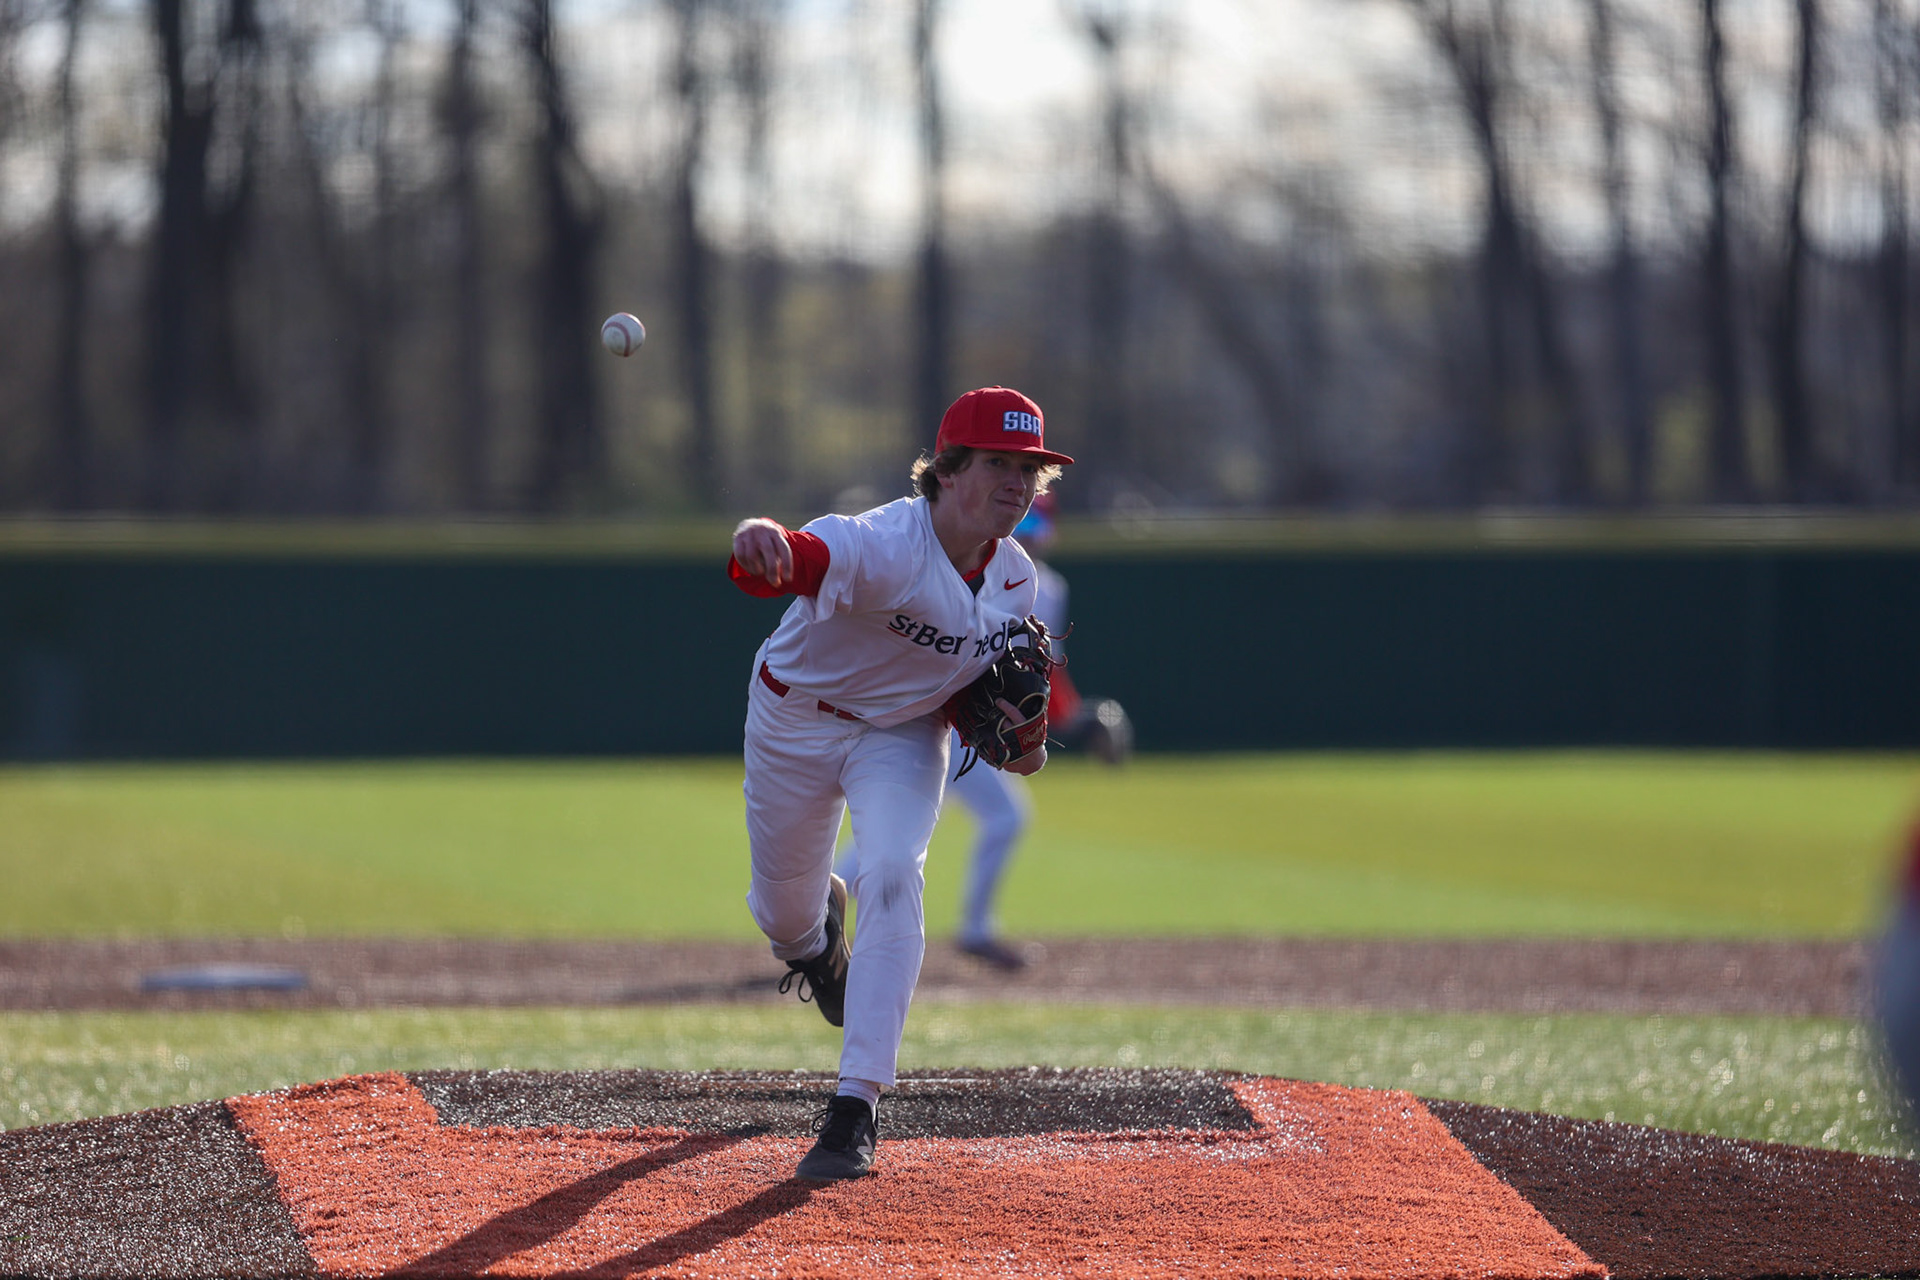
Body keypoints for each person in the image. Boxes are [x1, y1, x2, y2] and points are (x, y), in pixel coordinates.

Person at [726, 385, 1072, 1181]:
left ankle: (855, 1109)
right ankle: (816, 944)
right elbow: (797, 559)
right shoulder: (886, 541)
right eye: (998, 463)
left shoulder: (1016, 583)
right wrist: (760, 542)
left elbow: (1004, 726)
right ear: (948, 471)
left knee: (890, 871)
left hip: (905, 733)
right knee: (783, 916)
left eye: (1031, 469)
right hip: (796, 718)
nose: (1018, 483)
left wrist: (1025, 746)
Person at [833, 492, 1127, 972]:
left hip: (960, 725)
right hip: (944, 722)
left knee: (905, 837)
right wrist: (1076, 719)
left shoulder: (1043, 585)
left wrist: (1073, 715)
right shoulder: (1003, 577)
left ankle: (826, 907)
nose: (1026, 535)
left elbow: (1036, 673)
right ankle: (969, 929)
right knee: (989, 820)